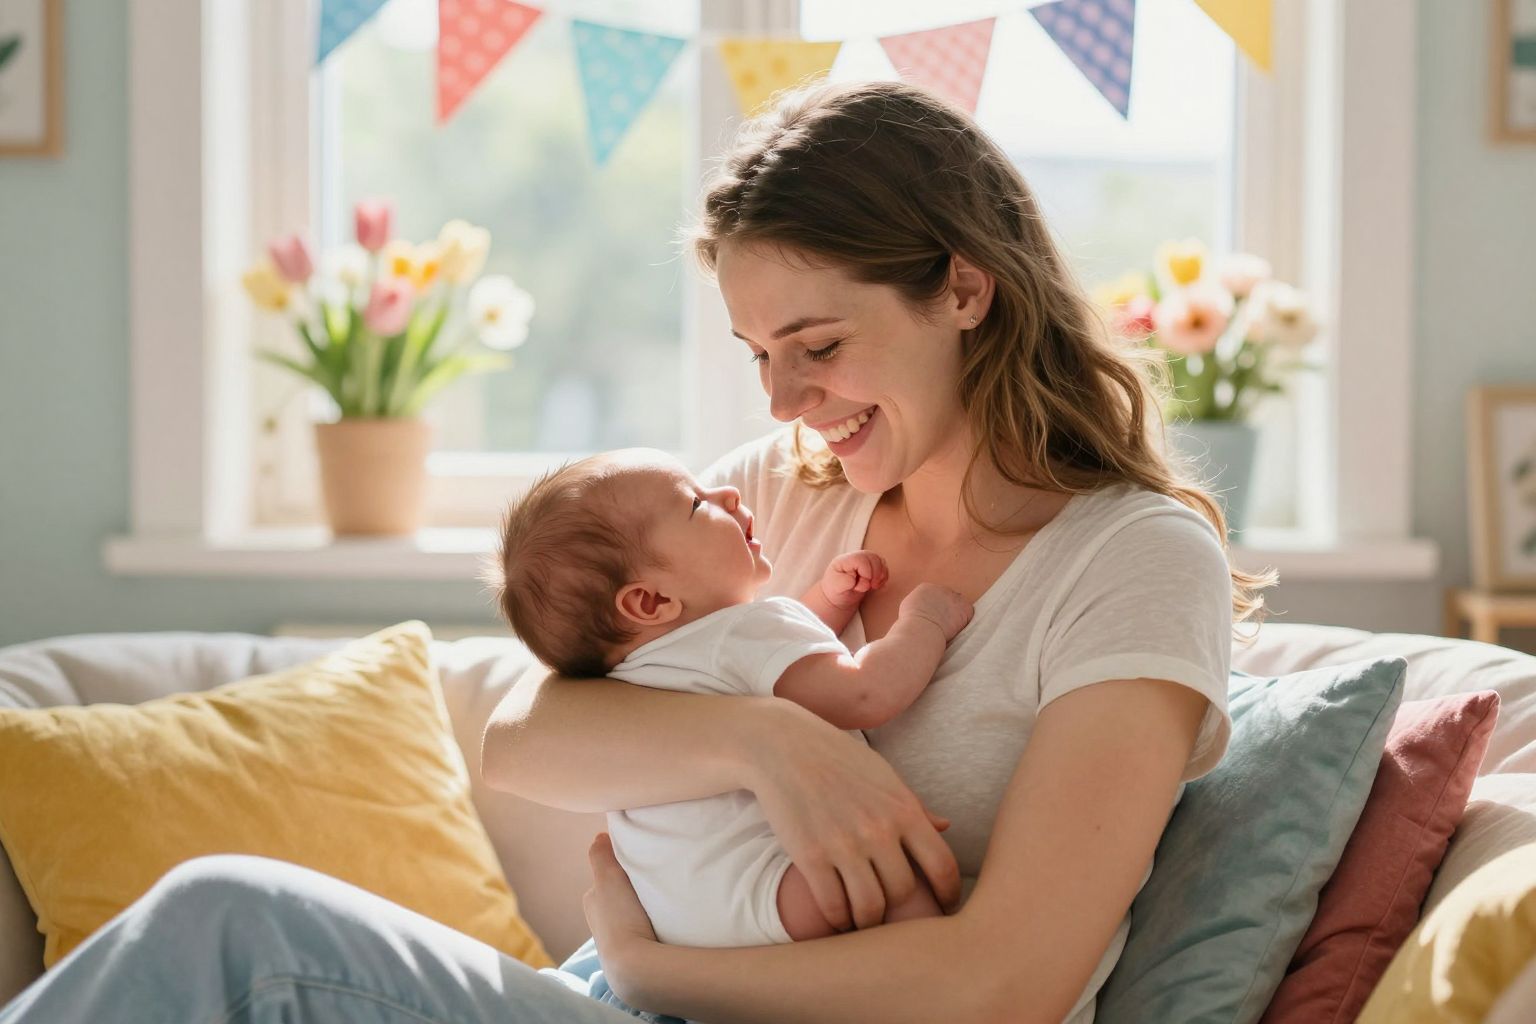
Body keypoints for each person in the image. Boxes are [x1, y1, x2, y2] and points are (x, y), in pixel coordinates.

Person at [0, 79, 1273, 1024]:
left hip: (669, 999)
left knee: (233, 927)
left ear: (964, 288)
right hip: (624, 1000)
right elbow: (525, 740)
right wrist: (766, 740)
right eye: (756, 355)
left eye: (817, 346)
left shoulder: (1130, 560)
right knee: (222, 927)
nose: (780, 401)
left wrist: (662, 969)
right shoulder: (781, 499)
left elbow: (1008, 979)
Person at [491, 447, 970, 954]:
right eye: (697, 505)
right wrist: (925, 622)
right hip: (773, 884)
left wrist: (829, 602)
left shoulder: (626, 678)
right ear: (650, 600)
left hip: (674, 915)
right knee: (905, 893)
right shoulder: (741, 634)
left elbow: (775, 673)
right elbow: (864, 692)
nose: (726, 492)